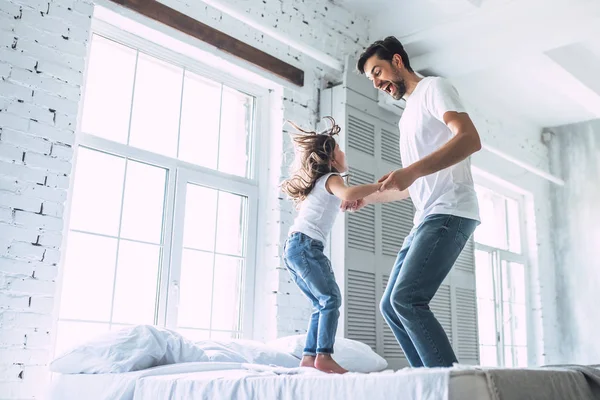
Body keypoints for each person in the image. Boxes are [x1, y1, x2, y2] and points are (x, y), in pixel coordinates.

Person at [347, 36, 482, 368]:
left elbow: (470, 139)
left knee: (407, 298)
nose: (377, 83)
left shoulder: (434, 89)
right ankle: (428, 379)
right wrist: (368, 196)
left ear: (397, 61)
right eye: (371, 79)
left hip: (450, 209)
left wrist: (410, 171)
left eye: (377, 72)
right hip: (427, 216)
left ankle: (452, 385)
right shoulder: (406, 117)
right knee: (390, 306)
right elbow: (410, 185)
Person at [281, 117, 381, 374]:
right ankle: (324, 355)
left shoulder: (322, 183)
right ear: (332, 159)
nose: (343, 152)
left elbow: (338, 200)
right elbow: (346, 193)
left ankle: (309, 356)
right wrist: (381, 186)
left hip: (295, 247)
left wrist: (348, 200)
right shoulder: (332, 177)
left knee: (321, 302)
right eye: (339, 149)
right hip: (306, 246)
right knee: (330, 299)